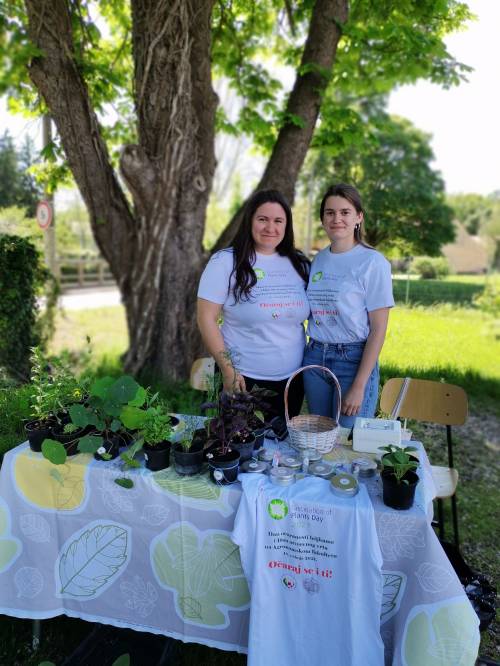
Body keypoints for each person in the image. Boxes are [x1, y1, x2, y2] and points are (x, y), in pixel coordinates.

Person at [197, 189, 310, 420]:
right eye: (263, 219)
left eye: (278, 221)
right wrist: (228, 370)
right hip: (242, 378)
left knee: (280, 450)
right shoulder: (225, 261)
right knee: (238, 449)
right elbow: (206, 319)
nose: (271, 227)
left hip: (292, 381)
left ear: (286, 226)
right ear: (249, 221)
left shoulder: (299, 264)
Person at [303, 183, 394, 428]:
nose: (337, 219)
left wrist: (359, 384)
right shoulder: (319, 260)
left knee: (347, 442)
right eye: (330, 212)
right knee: (320, 437)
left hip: (353, 361)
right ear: (322, 218)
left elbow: (378, 329)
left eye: (345, 212)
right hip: (314, 359)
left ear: (358, 217)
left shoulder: (373, 262)